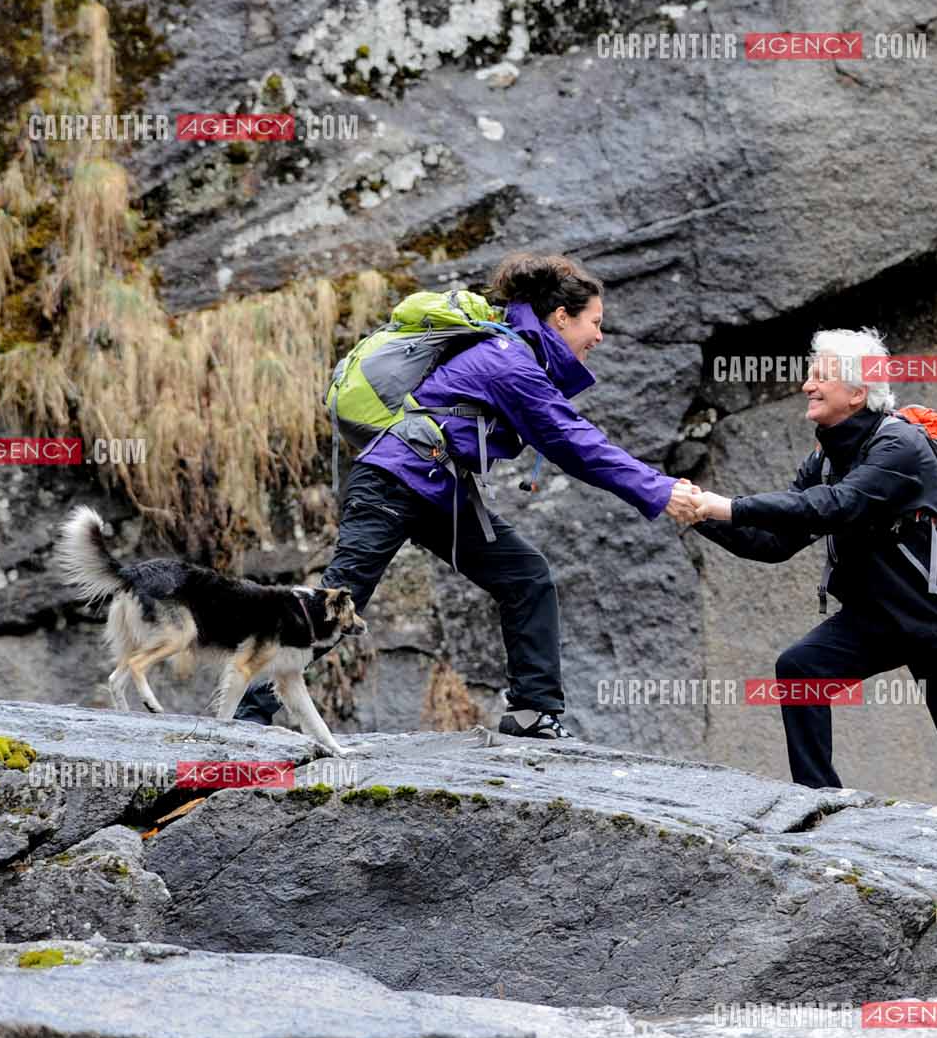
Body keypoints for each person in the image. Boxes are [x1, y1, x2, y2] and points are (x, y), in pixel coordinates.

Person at [236, 252, 701, 739]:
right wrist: (660, 489)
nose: (600, 336)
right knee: (340, 599)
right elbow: (575, 442)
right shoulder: (508, 362)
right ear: (561, 317)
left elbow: (569, 437)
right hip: (393, 478)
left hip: (437, 487)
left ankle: (531, 711)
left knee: (526, 575)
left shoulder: (514, 357)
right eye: (595, 322)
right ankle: (246, 719)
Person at [682, 329, 937, 829]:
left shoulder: (898, 445)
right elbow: (776, 542)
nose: (807, 385)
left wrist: (729, 506)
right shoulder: (826, 457)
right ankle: (818, 805)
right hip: (880, 621)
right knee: (801, 670)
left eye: (821, 377)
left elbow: (839, 505)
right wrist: (700, 517)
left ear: (857, 392)